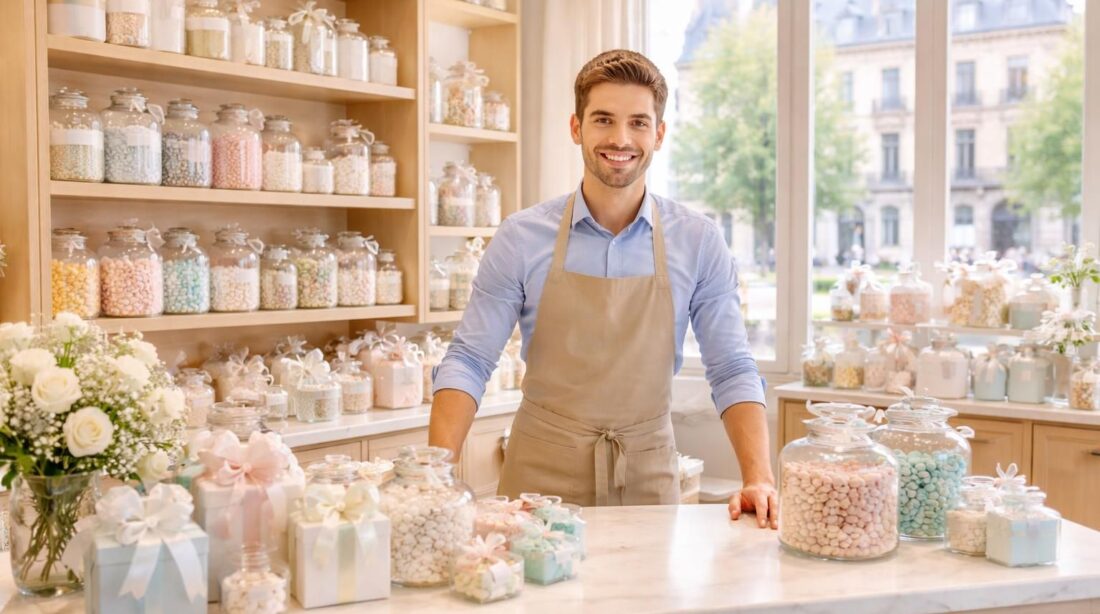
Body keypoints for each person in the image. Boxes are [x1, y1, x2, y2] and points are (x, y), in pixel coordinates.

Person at [428, 50, 777, 529]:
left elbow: (732, 365)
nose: (620, 139)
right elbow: (469, 360)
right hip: (537, 479)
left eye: (638, 122)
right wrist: (433, 474)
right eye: (603, 120)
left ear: (659, 133)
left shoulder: (698, 240)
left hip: (649, 476)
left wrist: (759, 477)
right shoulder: (521, 236)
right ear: (577, 128)